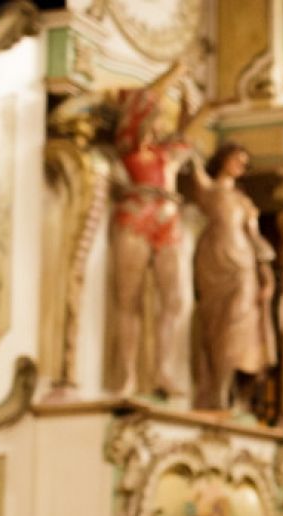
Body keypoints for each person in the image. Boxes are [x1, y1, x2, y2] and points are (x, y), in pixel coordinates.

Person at [107, 61, 208, 397]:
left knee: (176, 299)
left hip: (169, 217)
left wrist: (192, 97)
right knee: (129, 299)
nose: (161, 118)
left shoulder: (168, 154)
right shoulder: (131, 144)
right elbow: (144, 100)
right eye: (157, 113)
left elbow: (193, 128)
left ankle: (164, 369)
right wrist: (177, 72)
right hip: (137, 213)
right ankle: (127, 377)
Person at [188, 142, 278, 412]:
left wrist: (267, 277)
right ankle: (212, 386)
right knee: (212, 324)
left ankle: (225, 391)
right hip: (212, 260)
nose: (240, 165)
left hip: (242, 265)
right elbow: (190, 150)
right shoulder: (208, 188)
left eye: (244, 162)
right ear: (223, 159)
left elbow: (256, 240)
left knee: (238, 325)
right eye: (236, 158)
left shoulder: (243, 202)